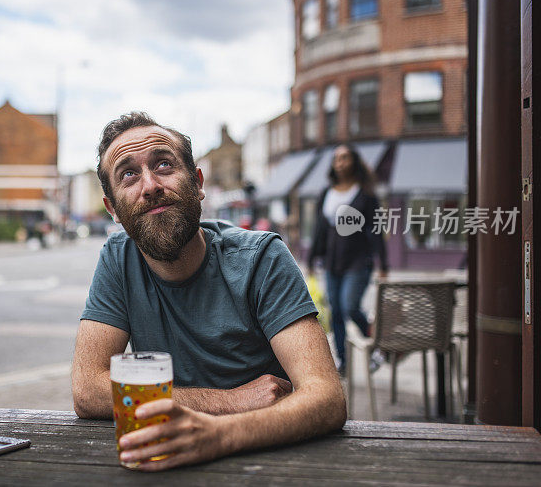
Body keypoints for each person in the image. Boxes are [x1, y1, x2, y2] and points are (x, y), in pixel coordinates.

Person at [72, 112, 346, 471]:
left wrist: (219, 435)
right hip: (164, 464)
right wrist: (230, 402)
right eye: (129, 174)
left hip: (266, 461)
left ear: (197, 182)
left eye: (164, 164)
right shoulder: (117, 258)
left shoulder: (261, 258)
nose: (150, 184)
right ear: (112, 208)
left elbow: (326, 397)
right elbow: (87, 389)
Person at [306, 144, 388, 377]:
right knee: (336, 312)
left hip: (358, 261)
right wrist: (312, 258)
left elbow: (376, 230)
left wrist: (384, 264)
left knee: (349, 307)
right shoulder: (326, 193)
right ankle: (343, 362)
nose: (339, 162)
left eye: (344, 158)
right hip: (332, 262)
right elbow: (320, 230)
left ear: (354, 161)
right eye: (336, 158)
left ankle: (377, 342)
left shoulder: (366, 194)